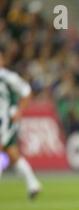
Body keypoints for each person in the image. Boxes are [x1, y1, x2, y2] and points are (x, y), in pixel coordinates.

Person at [0, 47, 42, 200]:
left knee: (3, 150)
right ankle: (33, 183)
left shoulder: (7, 77)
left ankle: (33, 183)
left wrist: (19, 111)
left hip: (5, 121)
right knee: (11, 153)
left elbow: (26, 91)